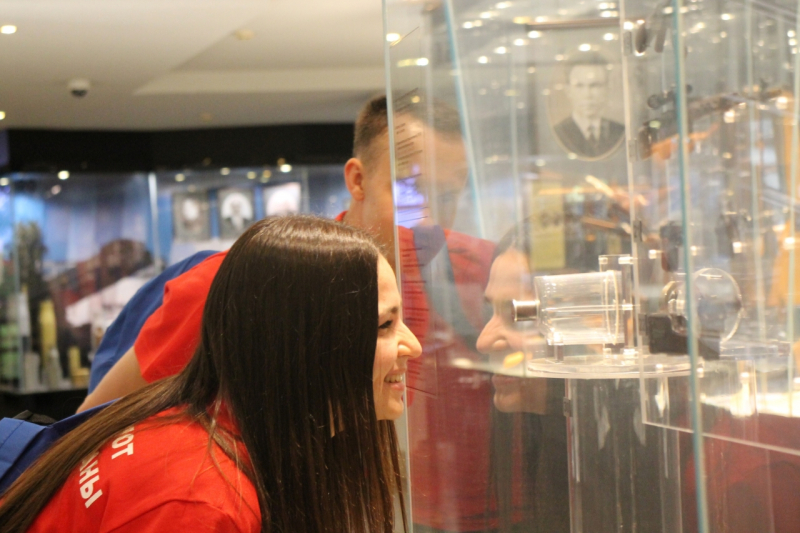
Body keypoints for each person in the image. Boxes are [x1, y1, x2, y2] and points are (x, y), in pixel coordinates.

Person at [80, 95, 499, 533]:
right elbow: (95, 424)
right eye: (411, 191)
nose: (430, 218)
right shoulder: (248, 284)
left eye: (448, 195)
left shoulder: (427, 280)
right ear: (358, 180)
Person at [1, 215, 421, 533]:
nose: (413, 346)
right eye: (385, 325)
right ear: (306, 345)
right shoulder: (199, 503)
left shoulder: (212, 432)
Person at [553, 53, 625, 159]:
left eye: (595, 85)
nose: (587, 95)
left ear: (607, 89)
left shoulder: (620, 132)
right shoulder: (559, 133)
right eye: (579, 86)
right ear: (568, 91)